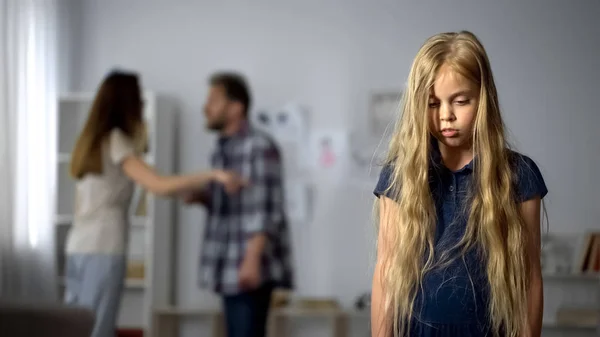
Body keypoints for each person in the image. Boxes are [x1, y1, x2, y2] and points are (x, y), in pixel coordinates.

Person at [371, 31, 548, 337]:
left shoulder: (519, 176)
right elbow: (386, 273)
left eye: (461, 101)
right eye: (432, 104)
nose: (446, 116)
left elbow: (529, 278)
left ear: (484, 99)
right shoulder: (400, 176)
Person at [64, 71, 246, 337]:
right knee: (97, 328)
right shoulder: (117, 140)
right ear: (127, 102)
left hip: (78, 245)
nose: (141, 104)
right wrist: (213, 175)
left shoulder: (94, 141)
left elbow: (156, 184)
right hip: (103, 248)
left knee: (78, 326)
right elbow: (157, 184)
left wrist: (190, 192)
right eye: (138, 98)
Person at [183, 72, 293, 337]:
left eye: (213, 100)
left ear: (236, 107)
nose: (205, 107)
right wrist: (203, 196)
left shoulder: (259, 146)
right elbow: (235, 201)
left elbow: (267, 207)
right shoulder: (222, 148)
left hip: (246, 265)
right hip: (227, 262)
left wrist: (252, 258)